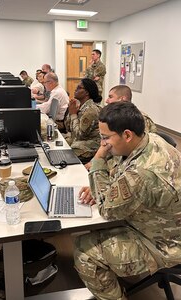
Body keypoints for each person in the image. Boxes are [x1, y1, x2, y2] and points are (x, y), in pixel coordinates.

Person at [74, 101, 181, 300]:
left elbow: (106, 209)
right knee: (97, 228)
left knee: (85, 252)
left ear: (127, 135)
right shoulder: (150, 139)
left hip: (167, 244)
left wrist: (98, 158)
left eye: (105, 138)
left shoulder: (141, 174)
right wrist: (104, 185)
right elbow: (123, 174)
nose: (103, 143)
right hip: (169, 223)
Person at [85, 84, 157, 171]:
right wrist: (94, 161)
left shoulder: (138, 119)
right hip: (118, 161)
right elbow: (111, 147)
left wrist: (97, 164)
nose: (107, 100)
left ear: (122, 99)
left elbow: (135, 153)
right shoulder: (115, 118)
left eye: (110, 97)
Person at [64, 78, 102, 163]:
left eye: (79, 88)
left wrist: (73, 114)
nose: (75, 90)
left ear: (87, 92)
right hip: (81, 140)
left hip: (91, 144)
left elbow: (80, 135)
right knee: (63, 143)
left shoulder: (90, 110)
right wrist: (71, 112)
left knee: (73, 147)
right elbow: (68, 128)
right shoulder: (80, 106)